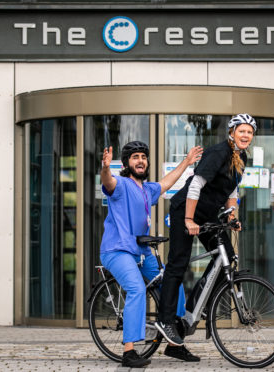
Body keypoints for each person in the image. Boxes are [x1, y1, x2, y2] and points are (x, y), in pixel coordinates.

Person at [155, 113, 257, 348]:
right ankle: (165, 320)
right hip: (185, 210)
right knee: (178, 263)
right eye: (242, 130)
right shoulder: (219, 152)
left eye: (249, 132)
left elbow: (232, 190)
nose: (246, 135)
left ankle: (190, 315)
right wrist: (189, 220)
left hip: (209, 214)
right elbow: (196, 185)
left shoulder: (241, 156)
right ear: (232, 132)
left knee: (228, 259)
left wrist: (232, 216)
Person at [100, 141, 203, 368]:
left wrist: (186, 162)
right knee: (137, 289)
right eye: (135, 157)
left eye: (143, 157)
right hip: (117, 250)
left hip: (141, 252)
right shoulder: (122, 185)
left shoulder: (147, 190)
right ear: (127, 162)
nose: (140, 160)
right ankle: (129, 352)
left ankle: (174, 345)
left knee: (172, 283)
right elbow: (108, 182)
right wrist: (106, 167)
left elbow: (167, 183)